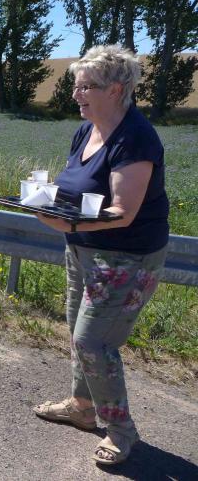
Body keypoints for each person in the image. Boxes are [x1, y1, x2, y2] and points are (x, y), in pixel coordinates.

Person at [32, 45, 169, 466]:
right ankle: (82, 407)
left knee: (92, 341)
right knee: (77, 330)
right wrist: (42, 200)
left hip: (126, 258)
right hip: (83, 251)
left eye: (86, 86)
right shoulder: (85, 130)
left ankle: (121, 431)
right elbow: (75, 187)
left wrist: (69, 225)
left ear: (117, 89)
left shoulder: (135, 137)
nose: (76, 94)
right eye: (76, 85)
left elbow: (123, 212)